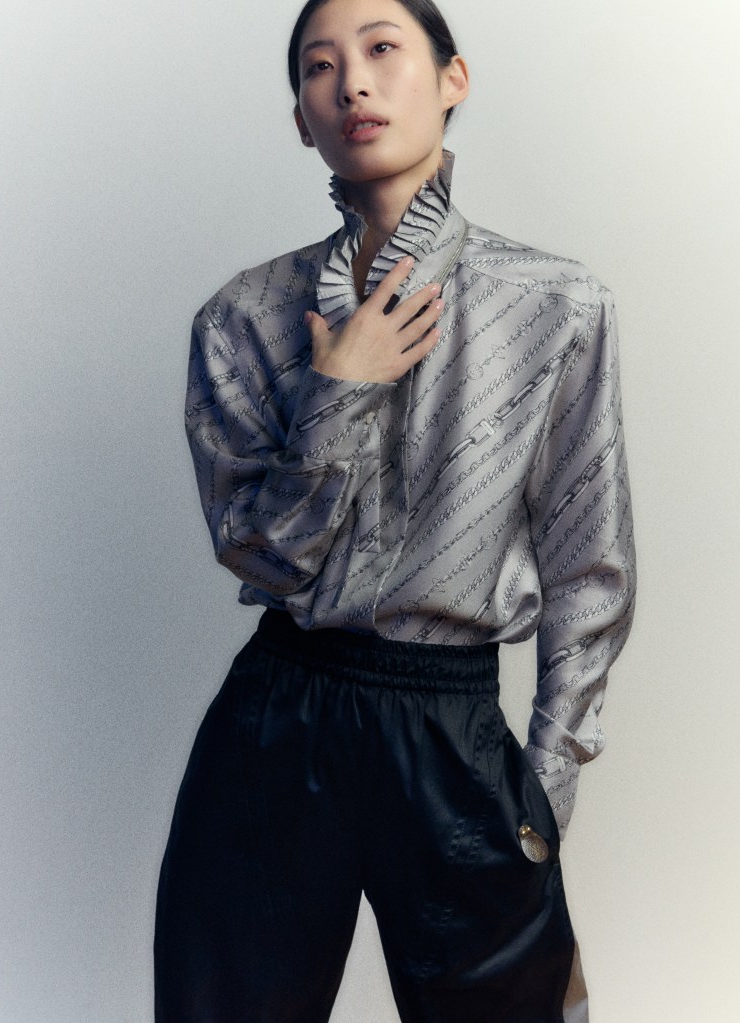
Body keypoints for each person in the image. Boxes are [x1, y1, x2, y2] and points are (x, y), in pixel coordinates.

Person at [154, 0, 636, 1020]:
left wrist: (545, 778)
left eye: (382, 48)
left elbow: (588, 565)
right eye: (319, 67)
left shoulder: (558, 306)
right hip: (278, 719)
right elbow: (261, 557)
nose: (354, 84)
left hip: (454, 725)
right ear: (302, 119)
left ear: (453, 78)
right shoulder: (243, 317)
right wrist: (339, 390)